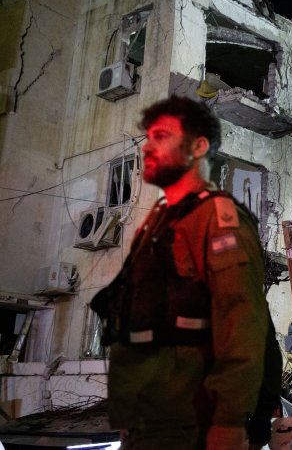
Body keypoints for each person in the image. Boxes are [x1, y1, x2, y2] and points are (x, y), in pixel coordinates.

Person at [91, 96, 269, 449]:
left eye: (161, 136)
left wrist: (228, 420)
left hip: (189, 425)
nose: (147, 147)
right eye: (148, 137)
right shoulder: (159, 221)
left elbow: (241, 320)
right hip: (148, 421)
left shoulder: (216, 219)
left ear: (198, 147)